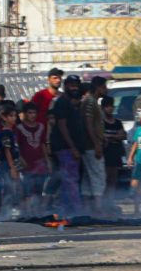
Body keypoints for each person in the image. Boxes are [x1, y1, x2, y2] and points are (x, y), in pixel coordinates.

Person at [50, 80, 87, 217]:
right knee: (70, 180)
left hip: (72, 148)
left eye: (76, 85)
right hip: (65, 148)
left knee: (70, 179)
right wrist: (73, 148)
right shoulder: (62, 103)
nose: (74, 88)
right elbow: (62, 125)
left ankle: (69, 211)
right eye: (71, 85)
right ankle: (74, 211)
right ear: (65, 87)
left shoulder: (73, 104)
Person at [80, 76, 108, 215]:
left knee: (88, 178)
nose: (106, 89)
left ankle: (86, 210)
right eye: (104, 87)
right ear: (98, 87)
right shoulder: (90, 102)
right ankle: (98, 209)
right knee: (98, 177)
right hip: (91, 146)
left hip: (89, 145)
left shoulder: (92, 101)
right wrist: (97, 143)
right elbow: (88, 123)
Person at [16, 102, 50, 216]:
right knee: (27, 191)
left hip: (39, 165)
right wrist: (21, 160)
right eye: (30, 113)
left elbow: (43, 144)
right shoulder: (20, 128)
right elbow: (17, 146)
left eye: (34, 113)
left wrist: (47, 161)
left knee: (39, 191)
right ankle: (27, 213)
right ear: (25, 114)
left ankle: (38, 213)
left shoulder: (41, 127)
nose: (32, 115)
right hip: (27, 165)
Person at [101, 96, 126, 214]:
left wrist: (110, 137)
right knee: (105, 179)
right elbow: (101, 136)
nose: (109, 109)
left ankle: (110, 202)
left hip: (115, 153)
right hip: (105, 154)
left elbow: (123, 135)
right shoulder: (101, 123)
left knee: (113, 179)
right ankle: (103, 204)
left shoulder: (117, 122)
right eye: (107, 106)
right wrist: (113, 137)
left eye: (111, 106)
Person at [0, 105, 22, 216]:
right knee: (8, 187)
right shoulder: (6, 133)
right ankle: (5, 211)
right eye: (10, 116)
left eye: (15, 116)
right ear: (4, 118)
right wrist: (12, 168)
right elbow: (7, 151)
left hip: (13, 163)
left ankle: (9, 210)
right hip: (7, 164)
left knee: (13, 187)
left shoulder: (12, 132)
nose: (14, 118)